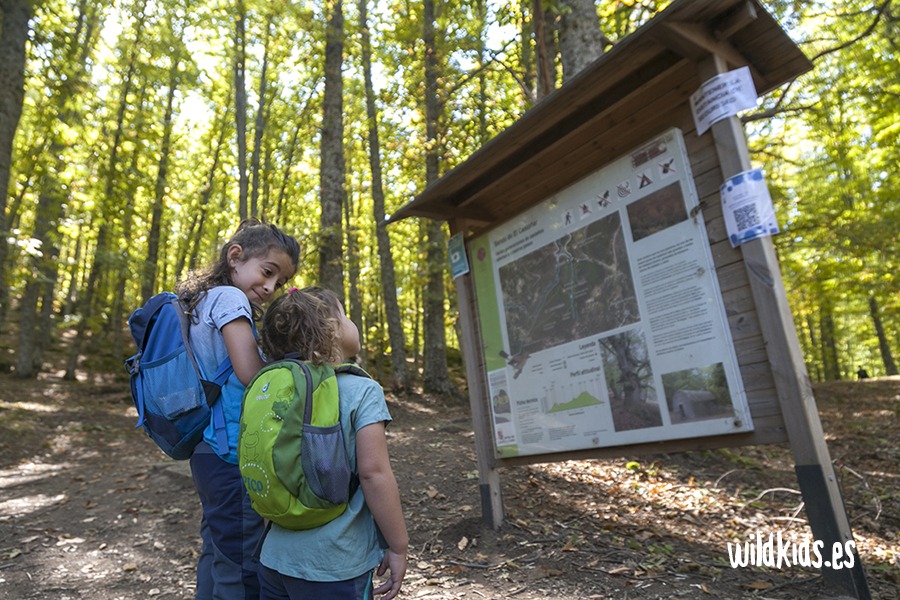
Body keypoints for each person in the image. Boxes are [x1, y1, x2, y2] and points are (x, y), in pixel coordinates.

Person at [257, 286, 408, 600]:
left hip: (273, 557)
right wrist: (398, 546)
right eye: (346, 314)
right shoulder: (362, 390)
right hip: (336, 565)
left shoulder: (274, 390)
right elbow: (373, 474)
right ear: (333, 330)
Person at [176, 218, 300, 599]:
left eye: (278, 283)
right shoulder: (230, 300)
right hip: (231, 453)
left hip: (206, 449)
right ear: (235, 256)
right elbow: (250, 374)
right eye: (267, 272)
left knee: (218, 549)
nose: (269, 287)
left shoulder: (202, 299)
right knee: (244, 563)